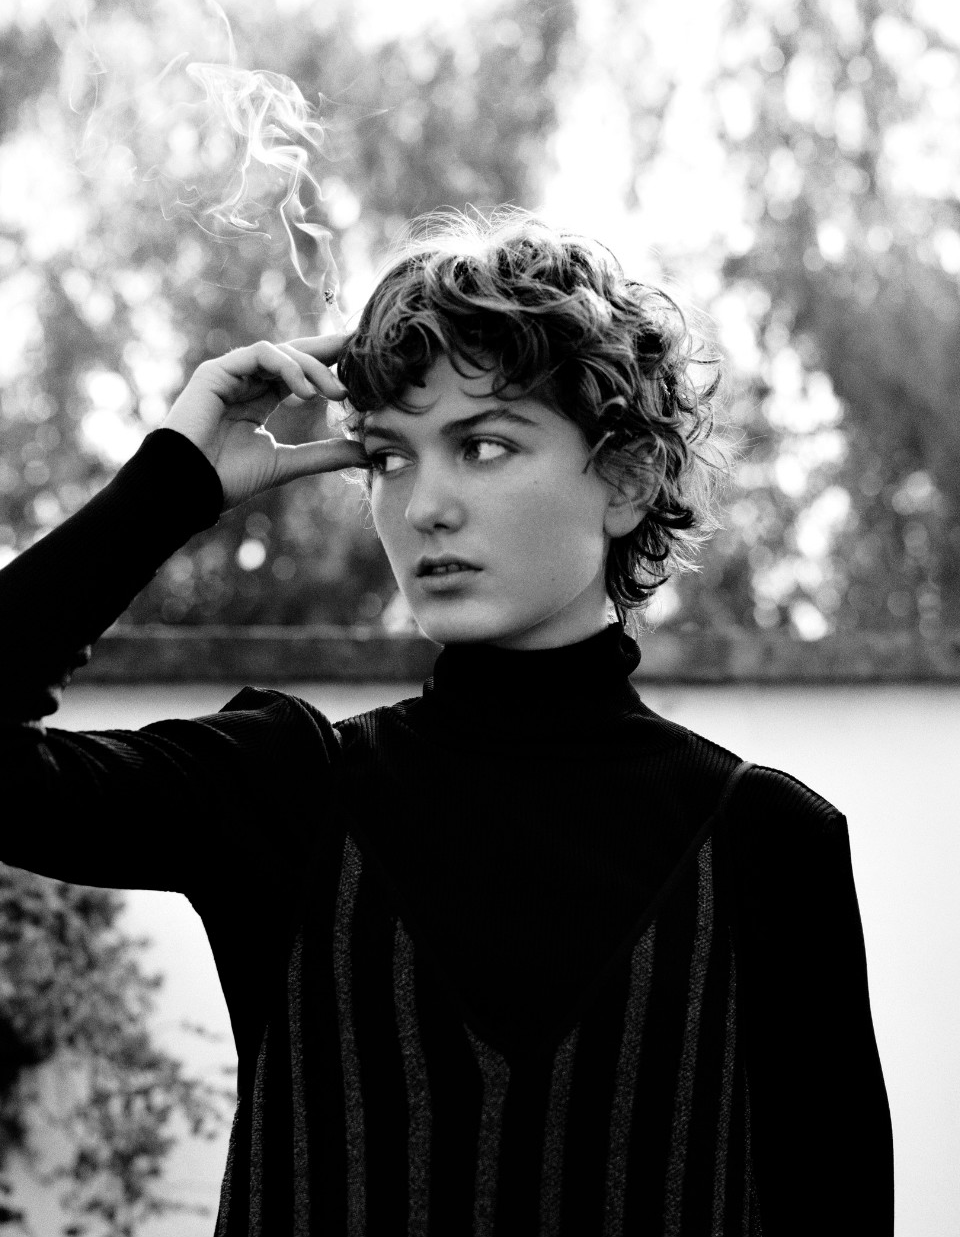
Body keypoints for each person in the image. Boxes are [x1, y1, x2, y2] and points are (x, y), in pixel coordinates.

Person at [1, 212, 892, 1236]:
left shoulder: (767, 844)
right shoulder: (287, 788)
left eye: (482, 445)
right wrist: (173, 483)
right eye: (389, 457)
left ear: (628, 478)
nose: (423, 505)